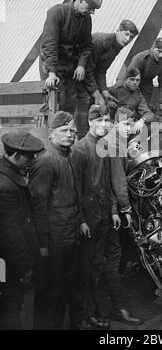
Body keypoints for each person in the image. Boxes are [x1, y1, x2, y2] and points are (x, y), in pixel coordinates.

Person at [72, 104, 142, 327]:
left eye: (107, 121)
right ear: (90, 122)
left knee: (111, 261)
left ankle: (114, 308)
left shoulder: (105, 146)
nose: (104, 125)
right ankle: (90, 313)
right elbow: (76, 190)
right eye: (99, 121)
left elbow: (108, 183)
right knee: (91, 265)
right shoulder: (81, 149)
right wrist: (82, 219)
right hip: (90, 218)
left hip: (105, 215)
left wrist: (114, 210)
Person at [29, 111, 83, 330]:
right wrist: (42, 244)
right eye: (64, 130)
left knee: (64, 288)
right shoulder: (46, 161)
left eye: (72, 131)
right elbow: (38, 206)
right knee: (49, 292)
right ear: (52, 134)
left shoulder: (68, 157)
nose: (69, 135)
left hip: (68, 236)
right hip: (52, 239)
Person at [40, 0, 103, 129]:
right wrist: (51, 72)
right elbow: (50, 44)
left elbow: (87, 46)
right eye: (89, 8)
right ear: (80, 0)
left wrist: (81, 65)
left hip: (71, 66)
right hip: (53, 63)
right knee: (58, 101)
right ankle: (56, 135)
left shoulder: (86, 19)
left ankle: (70, 136)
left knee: (73, 101)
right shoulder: (56, 12)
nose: (90, 13)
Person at [0, 132, 44, 329]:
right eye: (29, 156)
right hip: (9, 264)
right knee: (11, 306)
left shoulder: (8, 175)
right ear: (16, 155)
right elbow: (11, 234)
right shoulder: (5, 186)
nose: (33, 160)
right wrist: (25, 266)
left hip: (7, 262)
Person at [76, 20, 139, 139]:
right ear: (118, 31)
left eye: (131, 37)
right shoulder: (102, 42)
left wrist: (104, 92)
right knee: (84, 100)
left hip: (86, 73)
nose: (127, 39)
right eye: (126, 34)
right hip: (74, 69)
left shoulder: (117, 46)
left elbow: (101, 70)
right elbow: (88, 69)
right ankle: (82, 139)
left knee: (100, 102)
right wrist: (96, 94)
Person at [128, 37, 162, 119]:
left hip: (147, 84)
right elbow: (129, 77)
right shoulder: (139, 58)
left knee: (145, 108)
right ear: (153, 48)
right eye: (159, 52)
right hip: (132, 82)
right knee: (131, 107)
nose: (161, 55)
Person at [109, 67, 155, 135]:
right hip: (113, 124)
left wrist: (142, 120)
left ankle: (134, 143)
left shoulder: (138, 93)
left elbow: (148, 113)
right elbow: (104, 112)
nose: (135, 82)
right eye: (132, 79)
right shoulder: (114, 90)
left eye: (137, 80)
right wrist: (115, 125)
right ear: (126, 79)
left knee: (152, 127)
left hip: (129, 123)